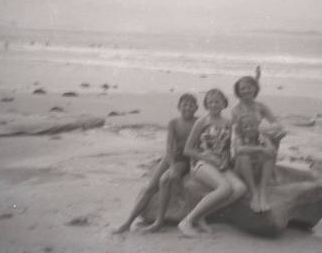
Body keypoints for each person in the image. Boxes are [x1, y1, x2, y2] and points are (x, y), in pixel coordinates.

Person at [113, 93, 199, 234]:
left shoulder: (198, 122)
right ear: (178, 107)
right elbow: (169, 147)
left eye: (191, 105)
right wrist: (171, 166)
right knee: (149, 188)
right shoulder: (173, 123)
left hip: (185, 160)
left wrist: (177, 168)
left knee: (165, 180)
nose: (187, 107)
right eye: (184, 104)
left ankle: (158, 222)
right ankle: (128, 222)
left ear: (196, 107)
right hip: (171, 157)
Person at [178, 89, 246, 237]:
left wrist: (229, 162)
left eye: (217, 101)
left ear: (223, 103)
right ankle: (186, 221)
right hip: (201, 162)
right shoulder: (201, 122)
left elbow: (229, 147)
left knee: (240, 188)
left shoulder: (228, 123)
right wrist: (209, 158)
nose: (213, 105)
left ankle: (201, 215)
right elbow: (187, 150)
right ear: (206, 104)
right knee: (224, 187)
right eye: (210, 102)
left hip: (221, 165)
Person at [234, 113, 276, 212]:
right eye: (245, 126)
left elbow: (272, 150)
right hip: (242, 173)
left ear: (257, 126)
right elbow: (239, 149)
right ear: (241, 129)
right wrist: (260, 149)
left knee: (269, 156)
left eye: (252, 126)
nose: (249, 128)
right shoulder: (239, 137)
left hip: (256, 172)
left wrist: (266, 145)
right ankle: (254, 193)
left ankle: (262, 191)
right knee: (243, 156)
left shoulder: (262, 136)